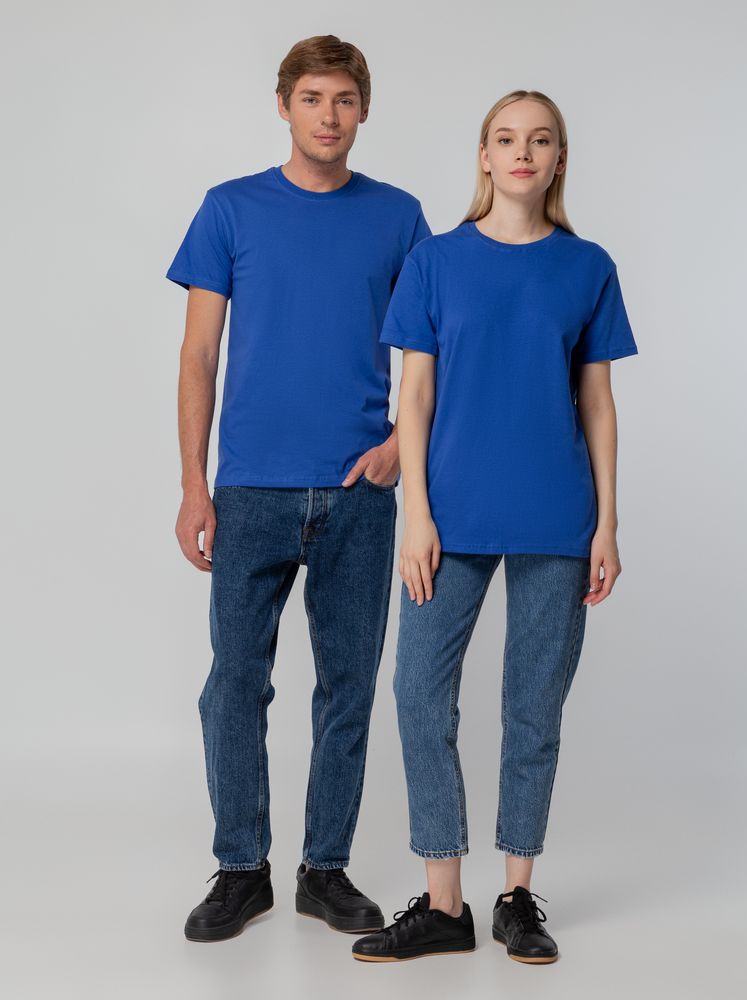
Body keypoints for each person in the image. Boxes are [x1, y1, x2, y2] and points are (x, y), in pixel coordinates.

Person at [352, 89, 638, 965]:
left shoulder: (587, 266)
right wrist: (416, 513)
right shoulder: (436, 261)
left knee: (532, 707)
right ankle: (445, 903)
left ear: (558, 160)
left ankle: (516, 895)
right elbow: (415, 396)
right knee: (417, 693)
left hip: (558, 515)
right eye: (506, 138)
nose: (522, 152)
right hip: (452, 515)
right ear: (484, 156)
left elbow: (597, 402)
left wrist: (607, 524)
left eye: (539, 140)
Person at [165, 34, 431, 942]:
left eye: (344, 99)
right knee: (234, 685)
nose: (329, 115)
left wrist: (399, 446)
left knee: (348, 686)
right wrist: (193, 485)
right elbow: (198, 355)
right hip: (250, 489)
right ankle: (242, 869)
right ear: (284, 105)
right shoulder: (230, 209)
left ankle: (325, 869)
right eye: (313, 97)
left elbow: (430, 352)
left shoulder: (398, 216)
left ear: (364, 111)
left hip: (358, 491)